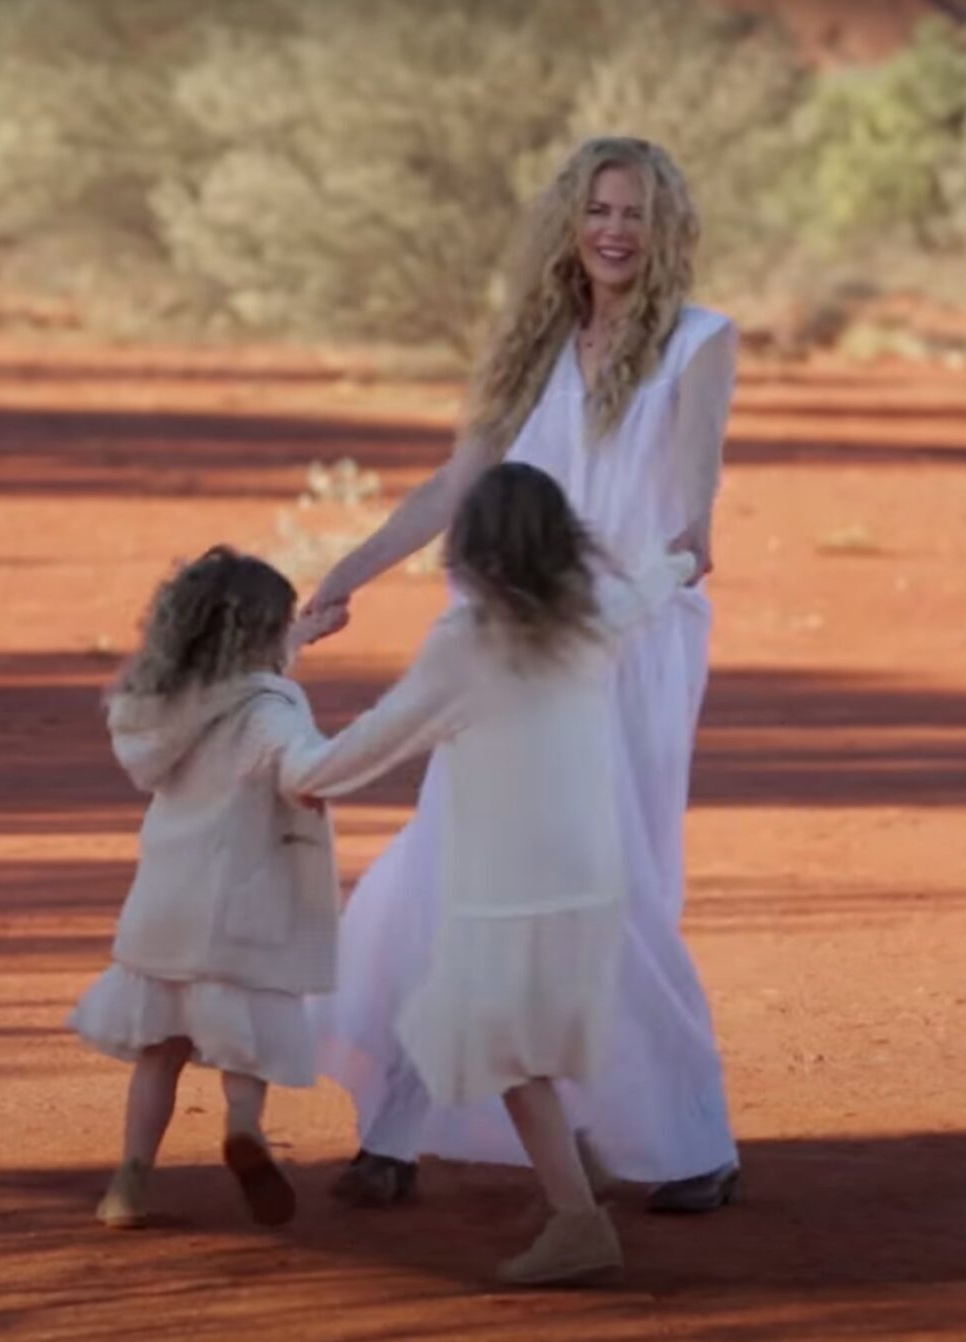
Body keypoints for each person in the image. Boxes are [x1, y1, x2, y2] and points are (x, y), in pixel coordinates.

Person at [298, 136, 742, 1214]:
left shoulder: (697, 342)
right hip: (500, 641)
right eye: (597, 208)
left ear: (665, 226)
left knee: (614, 888)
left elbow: (691, 518)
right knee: (447, 862)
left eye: (635, 212)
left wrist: (639, 585)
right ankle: (397, 1125)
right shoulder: (530, 342)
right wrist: (343, 575)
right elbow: (459, 482)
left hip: (623, 644)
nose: (614, 230)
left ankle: (691, 1140)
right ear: (569, 220)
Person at [280, 463, 700, 1285]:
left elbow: (386, 733)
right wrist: (678, 559)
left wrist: (303, 771)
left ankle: (579, 1218)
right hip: (586, 879)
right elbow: (646, 594)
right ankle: (579, 1165)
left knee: (493, 1048)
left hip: (507, 888)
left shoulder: (468, 641)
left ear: (473, 550)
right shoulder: (587, 620)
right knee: (515, 1042)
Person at [66, 547, 341, 1230]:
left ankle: (129, 1181)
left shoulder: (166, 702)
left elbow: (241, 689)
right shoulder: (272, 709)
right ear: (259, 638)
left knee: (159, 1054)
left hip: (168, 906)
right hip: (244, 910)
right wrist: (319, 779)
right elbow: (289, 752)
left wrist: (302, 634)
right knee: (244, 1044)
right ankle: (243, 1126)